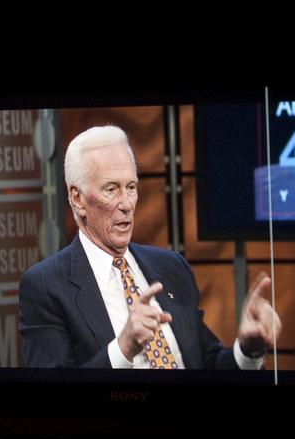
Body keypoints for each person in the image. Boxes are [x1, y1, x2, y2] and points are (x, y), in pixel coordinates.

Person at [18, 125, 281, 370]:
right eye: (111, 189)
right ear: (78, 199)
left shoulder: (171, 267)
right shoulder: (46, 286)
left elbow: (208, 364)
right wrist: (124, 348)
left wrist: (248, 350)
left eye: (131, 187)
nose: (126, 204)